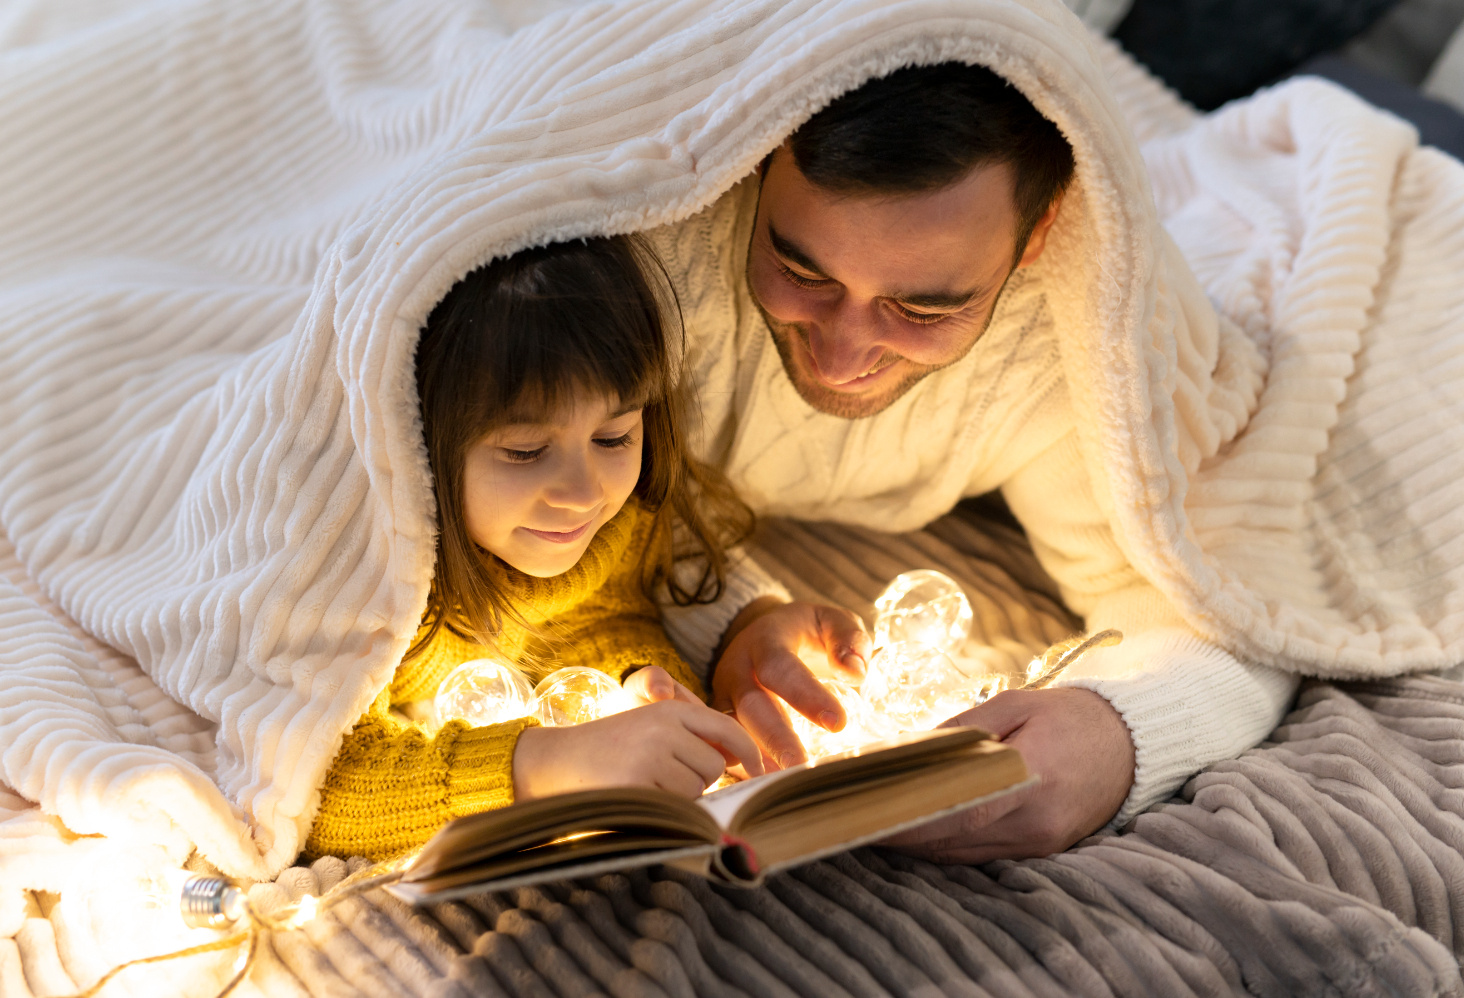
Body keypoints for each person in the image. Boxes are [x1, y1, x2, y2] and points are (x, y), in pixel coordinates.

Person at [646, 62, 1301, 860]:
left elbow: (1229, 602)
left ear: (1038, 236)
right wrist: (735, 614)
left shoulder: (1076, 345)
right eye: (801, 270)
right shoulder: (657, 252)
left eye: (923, 306)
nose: (841, 354)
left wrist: (1114, 733)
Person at [302, 234, 865, 860]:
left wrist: (639, 681)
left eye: (614, 436)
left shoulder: (620, 521)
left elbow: (602, 613)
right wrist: (548, 767)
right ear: (414, 444)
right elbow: (312, 783)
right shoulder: (353, 564)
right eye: (524, 451)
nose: (582, 493)